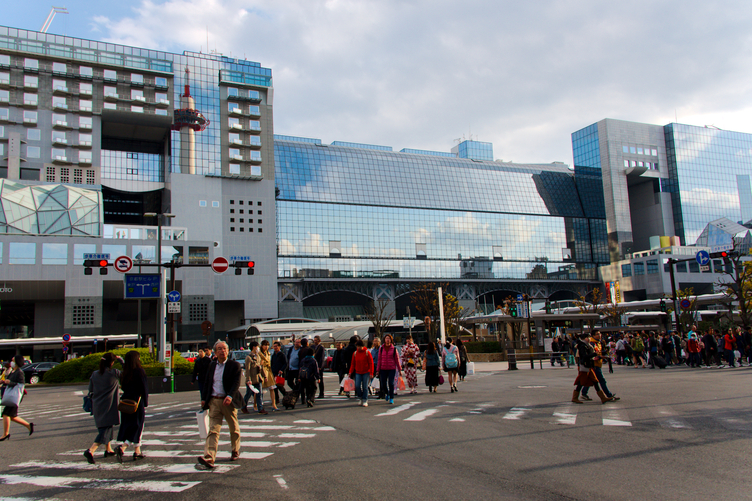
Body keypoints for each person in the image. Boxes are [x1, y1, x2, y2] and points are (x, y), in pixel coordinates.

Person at [198, 341, 243, 469]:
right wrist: (204, 399)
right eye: (219, 349)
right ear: (215, 352)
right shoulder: (212, 365)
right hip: (214, 401)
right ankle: (209, 457)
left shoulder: (234, 365)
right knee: (213, 430)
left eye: (224, 348)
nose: (222, 351)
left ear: (228, 351)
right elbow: (208, 382)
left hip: (228, 401)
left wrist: (229, 396)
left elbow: (236, 383)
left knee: (233, 428)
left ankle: (235, 449)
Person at [84, 353, 121, 463]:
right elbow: (127, 374)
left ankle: (108, 449)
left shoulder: (95, 374)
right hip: (109, 405)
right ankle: (91, 450)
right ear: (111, 363)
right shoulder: (114, 373)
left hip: (97, 405)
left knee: (105, 427)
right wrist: (122, 361)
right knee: (105, 430)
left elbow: (90, 389)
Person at [115, 351, 148, 462]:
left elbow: (123, 387)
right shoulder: (139, 371)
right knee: (138, 426)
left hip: (126, 402)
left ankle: (137, 451)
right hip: (137, 402)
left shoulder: (125, 372)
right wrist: (146, 402)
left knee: (130, 425)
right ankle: (123, 447)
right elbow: (144, 388)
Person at [0, 355, 33, 440]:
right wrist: (3, 381)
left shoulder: (19, 372)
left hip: (15, 396)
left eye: (13, 360)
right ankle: (28, 425)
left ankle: (5, 434)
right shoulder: (13, 371)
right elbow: (10, 381)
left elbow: (21, 384)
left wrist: (9, 382)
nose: (12, 362)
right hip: (11, 395)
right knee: (11, 416)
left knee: (5, 414)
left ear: (17, 362)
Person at [571, 334, 612, 404]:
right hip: (584, 366)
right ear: (585, 338)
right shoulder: (582, 345)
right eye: (588, 338)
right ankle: (575, 398)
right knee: (581, 382)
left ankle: (603, 398)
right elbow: (584, 356)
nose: (589, 339)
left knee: (595, 381)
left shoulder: (586, 345)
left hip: (588, 366)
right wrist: (594, 354)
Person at [580, 330, 619, 402]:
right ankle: (608, 395)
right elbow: (593, 354)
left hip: (597, 364)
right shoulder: (592, 343)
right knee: (601, 380)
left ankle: (583, 393)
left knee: (591, 380)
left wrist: (604, 353)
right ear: (593, 336)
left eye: (599, 334)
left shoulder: (599, 342)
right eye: (597, 334)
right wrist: (601, 356)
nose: (599, 335)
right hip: (594, 364)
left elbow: (599, 352)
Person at [376, 334, 402, 404]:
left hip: (391, 368)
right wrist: (377, 370)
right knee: (383, 383)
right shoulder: (381, 349)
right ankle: (387, 393)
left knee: (391, 383)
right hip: (383, 368)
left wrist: (400, 370)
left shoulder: (394, 349)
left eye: (389, 339)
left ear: (391, 340)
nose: (387, 340)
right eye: (386, 338)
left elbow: (397, 360)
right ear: (384, 340)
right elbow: (379, 360)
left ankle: (391, 397)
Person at [243, 341, 267, 415]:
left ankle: (260, 408)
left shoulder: (258, 356)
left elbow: (261, 367)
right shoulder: (249, 358)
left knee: (259, 394)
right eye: (257, 346)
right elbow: (247, 370)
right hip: (251, 379)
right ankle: (243, 406)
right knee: (248, 394)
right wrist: (248, 379)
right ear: (254, 347)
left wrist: (264, 376)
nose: (258, 348)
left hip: (258, 378)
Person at [349, 339, 374, 406]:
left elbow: (371, 363)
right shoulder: (355, 353)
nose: (359, 348)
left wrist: (371, 373)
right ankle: (360, 397)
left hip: (366, 372)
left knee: (365, 386)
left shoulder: (367, 353)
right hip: (358, 372)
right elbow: (353, 364)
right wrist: (350, 372)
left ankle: (365, 399)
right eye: (358, 346)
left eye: (360, 346)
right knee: (357, 386)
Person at [259, 340, 277, 411]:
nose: (266, 347)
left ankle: (274, 404)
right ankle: (256, 404)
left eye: (267, 345)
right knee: (259, 390)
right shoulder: (259, 354)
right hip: (262, 372)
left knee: (272, 388)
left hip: (268, 371)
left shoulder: (268, 353)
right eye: (265, 345)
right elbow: (260, 364)